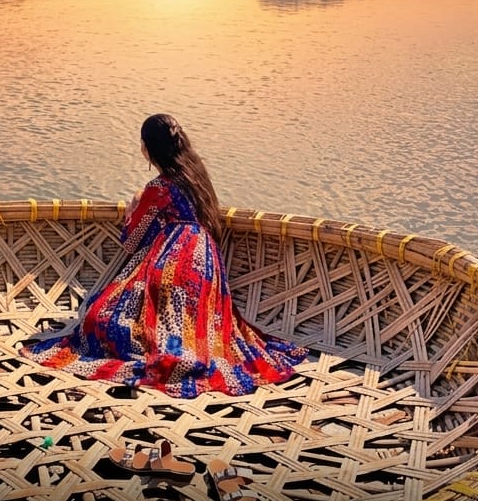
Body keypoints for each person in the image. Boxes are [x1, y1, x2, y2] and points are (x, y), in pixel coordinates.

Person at [21, 114, 307, 398]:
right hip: (205, 262)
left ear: (147, 149)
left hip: (174, 261)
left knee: (98, 318)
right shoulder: (198, 178)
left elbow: (131, 242)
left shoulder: (158, 188)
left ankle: (165, 348)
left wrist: (134, 206)